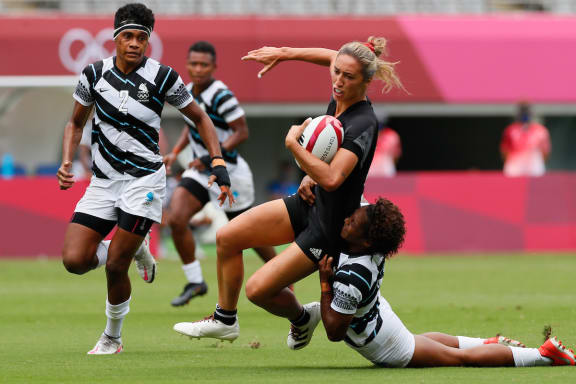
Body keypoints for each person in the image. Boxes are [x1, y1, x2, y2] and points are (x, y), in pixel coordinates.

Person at [173, 36, 404, 343]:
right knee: (227, 238)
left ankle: (301, 317)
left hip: (329, 228)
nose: (338, 80)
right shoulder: (340, 92)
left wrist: (294, 146)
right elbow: (328, 56)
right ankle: (225, 319)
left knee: (258, 291)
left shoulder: (363, 122)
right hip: (311, 202)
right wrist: (285, 53)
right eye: (337, 72)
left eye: (348, 76)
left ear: (365, 81)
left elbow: (334, 178)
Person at [56, 3, 232, 355]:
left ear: (148, 41)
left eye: (142, 38)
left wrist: (217, 161)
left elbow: (200, 118)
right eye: (128, 36)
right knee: (75, 261)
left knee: (116, 265)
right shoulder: (92, 75)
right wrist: (66, 162)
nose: (135, 43)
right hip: (103, 182)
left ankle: (112, 337)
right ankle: (136, 244)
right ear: (115, 38)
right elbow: (76, 122)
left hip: (144, 182)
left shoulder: (163, 77)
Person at [310, 198, 575, 368]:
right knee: (419, 342)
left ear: (366, 241)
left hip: (386, 345)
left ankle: (543, 356)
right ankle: (485, 342)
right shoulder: (372, 244)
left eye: (352, 220)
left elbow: (334, 332)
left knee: (458, 360)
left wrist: (324, 285)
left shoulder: (353, 275)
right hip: (379, 319)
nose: (346, 219)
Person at [163, 41, 277, 307]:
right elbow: (191, 125)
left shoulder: (221, 95)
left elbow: (242, 132)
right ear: (187, 65)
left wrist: (210, 157)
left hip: (229, 173)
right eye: (194, 63)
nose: (198, 69)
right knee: (177, 218)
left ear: (214, 67)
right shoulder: (187, 91)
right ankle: (195, 281)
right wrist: (177, 150)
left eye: (204, 64)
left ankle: (283, 275)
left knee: (247, 235)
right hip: (201, 171)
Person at [500, 102, 551, 177]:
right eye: (522, 110)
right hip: (515, 168)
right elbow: (504, 151)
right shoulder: (510, 130)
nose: (525, 114)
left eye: (527, 110)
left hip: (534, 168)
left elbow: (545, 153)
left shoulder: (541, 131)